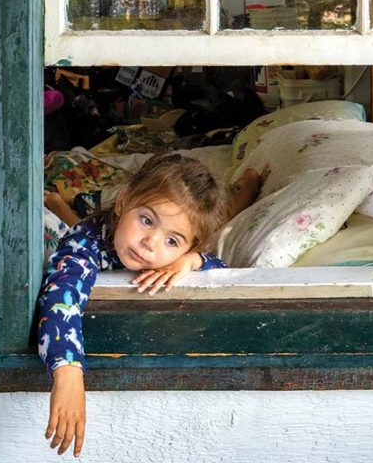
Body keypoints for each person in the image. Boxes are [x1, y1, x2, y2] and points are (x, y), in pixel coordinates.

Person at [38, 153, 260, 457]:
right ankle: (59, 205)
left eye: (172, 241)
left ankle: (248, 185)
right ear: (123, 201)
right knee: (81, 229)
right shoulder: (82, 247)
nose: (150, 243)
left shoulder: (184, 253)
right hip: (91, 229)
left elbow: (221, 268)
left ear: (189, 245)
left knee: (223, 218)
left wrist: (192, 261)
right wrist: (68, 372)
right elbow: (62, 295)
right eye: (146, 220)